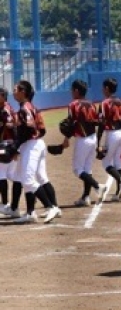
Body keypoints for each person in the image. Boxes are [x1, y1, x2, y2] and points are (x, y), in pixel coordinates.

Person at [12, 80, 60, 224]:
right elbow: (42, 129)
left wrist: (15, 146)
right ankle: (30, 212)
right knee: (28, 177)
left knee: (28, 179)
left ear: (23, 92)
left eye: (16, 89)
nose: (14, 92)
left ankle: (50, 207)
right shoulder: (32, 107)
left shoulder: (24, 109)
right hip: (35, 143)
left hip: (31, 145)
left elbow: (28, 130)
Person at [62, 80, 108, 207]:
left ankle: (98, 186)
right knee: (87, 169)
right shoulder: (91, 104)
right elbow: (98, 121)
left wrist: (66, 138)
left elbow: (70, 123)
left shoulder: (73, 105)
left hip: (82, 139)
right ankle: (86, 197)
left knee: (77, 169)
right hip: (93, 138)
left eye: (72, 90)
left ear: (76, 91)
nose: (71, 92)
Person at [97, 78, 121, 202]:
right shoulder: (120, 102)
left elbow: (101, 123)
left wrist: (98, 142)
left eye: (103, 87)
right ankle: (119, 193)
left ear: (107, 88)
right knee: (118, 163)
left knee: (106, 163)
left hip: (112, 134)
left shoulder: (104, 103)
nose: (102, 90)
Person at [0, 86, 22, 218]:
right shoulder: (4, 108)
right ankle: (34, 190)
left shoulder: (5, 110)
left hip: (7, 145)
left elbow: (13, 128)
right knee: (11, 174)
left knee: (2, 174)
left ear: (3, 96)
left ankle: (5, 204)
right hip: (8, 145)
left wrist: (15, 149)